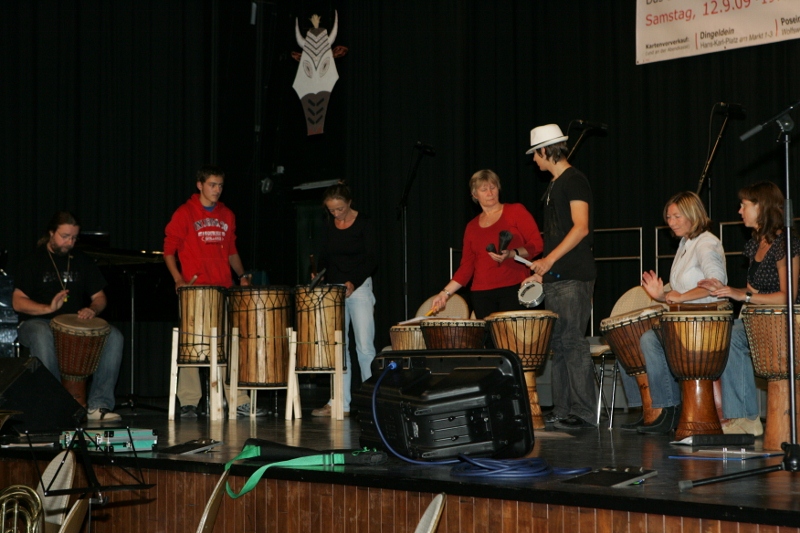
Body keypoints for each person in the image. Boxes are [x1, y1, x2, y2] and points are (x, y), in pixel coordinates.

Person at [619, 191, 727, 434]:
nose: (671, 222)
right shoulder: (685, 244)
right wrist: (659, 296)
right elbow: (678, 292)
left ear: (693, 214)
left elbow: (716, 283)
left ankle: (669, 409)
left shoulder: (706, 243)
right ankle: (656, 409)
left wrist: (681, 297)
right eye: (668, 217)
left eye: (677, 216)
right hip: (686, 322)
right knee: (633, 338)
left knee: (648, 339)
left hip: (704, 324)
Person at [699, 181, 799, 436]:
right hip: (762, 322)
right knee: (730, 333)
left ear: (761, 206)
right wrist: (723, 288)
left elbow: (788, 297)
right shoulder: (755, 246)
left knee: (734, 334)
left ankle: (745, 415)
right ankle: (746, 417)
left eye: (744, 205)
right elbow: (751, 294)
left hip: (787, 324)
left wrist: (739, 294)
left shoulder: (786, 243)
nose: (739, 211)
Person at [164, 165, 265, 418]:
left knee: (229, 345)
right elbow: (168, 251)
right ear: (200, 185)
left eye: (220, 185)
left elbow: (231, 250)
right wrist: (178, 279)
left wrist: (242, 276)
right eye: (212, 185)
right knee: (192, 346)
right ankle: (189, 402)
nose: (217, 190)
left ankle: (238, 399)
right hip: (195, 290)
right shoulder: (184, 213)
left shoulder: (227, 215)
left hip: (223, 288)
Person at [13, 211, 123, 421]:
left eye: (74, 237)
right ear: (51, 233)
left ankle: (99, 405)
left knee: (114, 335)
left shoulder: (82, 261)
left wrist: (93, 309)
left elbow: (100, 297)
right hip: (36, 322)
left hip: (75, 323)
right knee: (42, 333)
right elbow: (18, 301)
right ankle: (55, 404)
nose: (70, 242)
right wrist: (48, 308)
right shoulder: (32, 261)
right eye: (65, 236)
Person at [522, 124, 597, 430]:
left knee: (572, 342)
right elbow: (556, 237)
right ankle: (564, 409)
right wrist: (544, 272)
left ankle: (582, 412)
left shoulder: (574, 180)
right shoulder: (555, 185)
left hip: (574, 276)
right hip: (557, 277)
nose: (534, 161)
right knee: (560, 344)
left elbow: (581, 227)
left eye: (535, 155)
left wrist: (549, 260)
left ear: (544, 151)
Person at [431, 169, 543, 320]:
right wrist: (444, 294)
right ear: (475, 195)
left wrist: (513, 253)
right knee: (490, 341)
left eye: (493, 187)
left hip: (514, 287)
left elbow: (537, 244)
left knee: (511, 341)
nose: (490, 192)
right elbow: (466, 267)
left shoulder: (515, 211)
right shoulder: (471, 227)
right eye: (484, 189)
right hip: (481, 294)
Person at [311, 182, 378, 417]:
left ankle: (372, 400)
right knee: (339, 347)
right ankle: (340, 402)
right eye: (332, 210)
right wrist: (318, 273)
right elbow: (325, 255)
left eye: (340, 209)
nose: (336, 213)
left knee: (364, 347)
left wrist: (354, 281)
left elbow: (371, 259)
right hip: (333, 289)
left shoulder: (365, 222)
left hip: (359, 288)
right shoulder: (330, 225)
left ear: (349, 203)